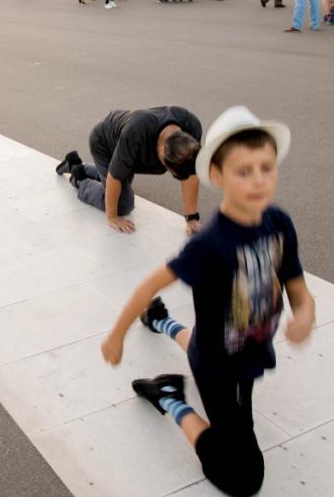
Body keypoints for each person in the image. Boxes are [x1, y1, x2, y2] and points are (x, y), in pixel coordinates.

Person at [101, 105, 315, 497]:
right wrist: (116, 335)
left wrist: (304, 313)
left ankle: (162, 322)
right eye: (243, 171)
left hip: (240, 346)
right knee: (245, 479)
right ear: (216, 175)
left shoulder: (279, 223)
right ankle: (169, 398)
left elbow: (296, 283)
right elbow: (151, 283)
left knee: (202, 344)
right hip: (222, 366)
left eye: (266, 167)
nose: (258, 180)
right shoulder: (210, 244)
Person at [55, 107, 203, 235]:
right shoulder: (136, 134)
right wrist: (112, 217)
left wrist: (192, 218)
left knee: (120, 179)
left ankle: (83, 168)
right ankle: (79, 176)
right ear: (161, 149)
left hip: (127, 150)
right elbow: (114, 177)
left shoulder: (191, 128)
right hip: (105, 144)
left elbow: (190, 176)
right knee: (123, 204)